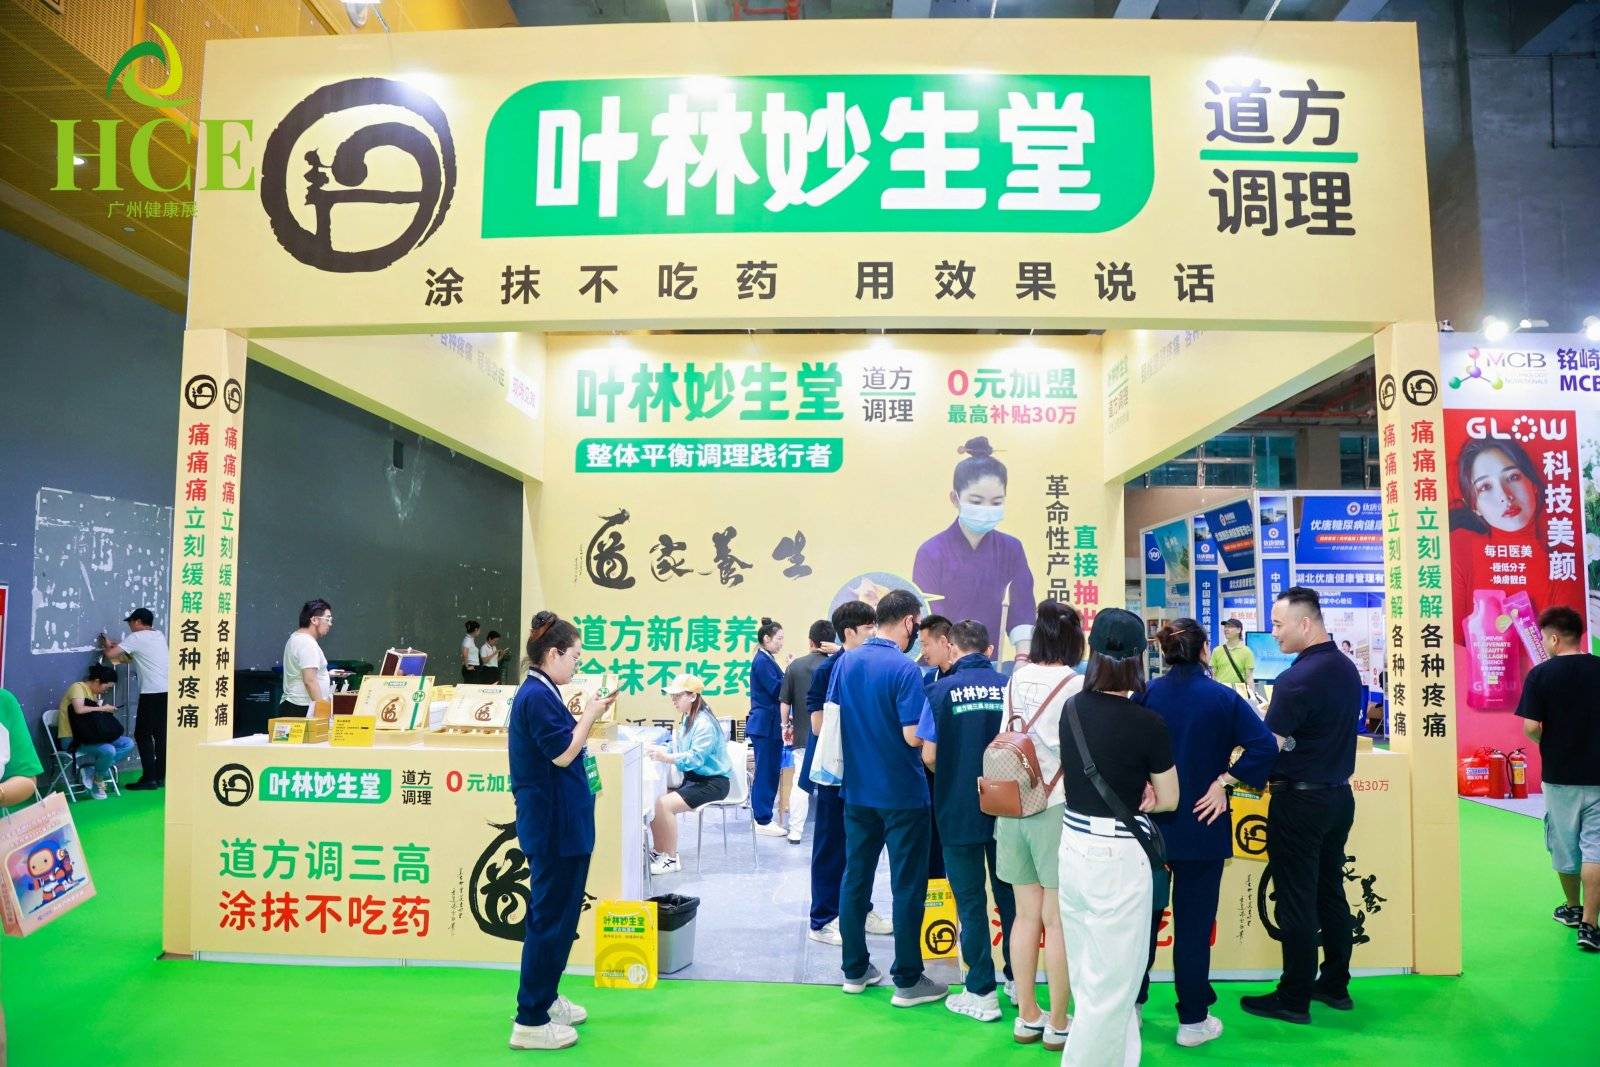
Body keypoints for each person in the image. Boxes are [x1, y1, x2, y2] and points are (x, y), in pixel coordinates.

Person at [1135, 618, 1278, 1047]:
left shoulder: (1148, 695)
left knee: (1142, 923)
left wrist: (1143, 784)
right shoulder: (1221, 697)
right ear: (1203, 651)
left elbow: (1128, 751)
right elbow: (1265, 745)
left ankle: (1133, 1008)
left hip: (1153, 827)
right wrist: (1225, 782)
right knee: (1194, 928)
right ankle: (1192, 1020)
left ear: (1164, 652)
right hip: (1204, 823)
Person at [1056, 607, 1178, 1067]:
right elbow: (1169, 799)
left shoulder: (1071, 710)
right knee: (1113, 987)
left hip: (1073, 847)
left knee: (1092, 979)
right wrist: (1147, 797)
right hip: (1120, 858)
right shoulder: (1148, 723)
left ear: (1093, 653)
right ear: (1138, 658)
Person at [1241, 586, 1363, 1025]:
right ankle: (1335, 984)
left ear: (1305, 623)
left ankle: (1293, 997)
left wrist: (1231, 778)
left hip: (1299, 801)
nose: (1273, 633)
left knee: (1295, 898)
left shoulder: (1296, 680)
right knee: (1330, 890)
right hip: (1338, 798)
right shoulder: (1346, 668)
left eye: (1278, 624)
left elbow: (1268, 746)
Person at [507, 610, 618, 1051]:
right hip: (554, 826)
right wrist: (589, 714)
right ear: (553, 654)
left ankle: (547, 998)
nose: (577, 665)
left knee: (561, 917)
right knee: (550, 919)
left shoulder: (544, 692)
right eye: (574, 657)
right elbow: (562, 754)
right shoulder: (536, 697)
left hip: (563, 823)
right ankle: (530, 1019)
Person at [831, 589, 946, 1007]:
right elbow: (912, 736)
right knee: (907, 885)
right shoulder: (904, 669)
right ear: (910, 621)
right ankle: (908, 979)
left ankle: (854, 969)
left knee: (855, 877)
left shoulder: (846, 662)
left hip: (857, 791)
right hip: (902, 794)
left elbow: (834, 719)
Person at [918, 619, 1015, 1023]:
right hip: (1008, 808)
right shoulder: (1009, 686)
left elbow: (928, 754)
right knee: (1011, 897)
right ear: (989, 650)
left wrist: (955, 774)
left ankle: (981, 992)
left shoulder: (939, 691)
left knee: (971, 902)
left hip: (958, 808)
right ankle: (1017, 980)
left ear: (954, 649)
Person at [998, 599, 1084, 1051]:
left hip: (1012, 805)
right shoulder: (1075, 683)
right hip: (1055, 806)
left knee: (1024, 915)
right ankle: (1059, 1020)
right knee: (1057, 919)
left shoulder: (1016, 678)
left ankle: (1027, 1015)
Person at [803, 601, 892, 946]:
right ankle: (823, 919)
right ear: (849, 632)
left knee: (864, 847)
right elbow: (817, 725)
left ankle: (859, 909)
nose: (875, 632)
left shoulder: (875, 665)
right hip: (835, 774)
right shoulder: (829, 669)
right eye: (869, 627)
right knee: (831, 846)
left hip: (867, 772)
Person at [1517, 605, 1600, 951]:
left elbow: (1531, 727)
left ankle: (1572, 908)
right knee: (1595, 849)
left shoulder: (1540, 675)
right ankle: (1590, 925)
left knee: (1565, 845)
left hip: (1560, 776)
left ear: (1553, 639)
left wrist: (1550, 743)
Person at [1449, 437, 1583, 643]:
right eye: (1485, 487)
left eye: (1513, 477)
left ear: (1533, 484)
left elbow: (1570, 649)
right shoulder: (1460, 549)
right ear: (1474, 506)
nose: (1505, 495)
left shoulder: (1563, 560)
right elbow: (1448, 646)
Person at [913, 437, 1036, 660]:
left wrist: (1022, 659)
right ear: (955, 498)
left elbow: (1022, 609)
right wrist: (955, 663)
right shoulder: (931, 552)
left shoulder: (1011, 549)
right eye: (977, 501)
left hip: (991, 664)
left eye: (996, 502)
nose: (987, 509)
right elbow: (930, 619)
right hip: (943, 665)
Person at [648, 674, 733, 876]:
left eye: (678, 696)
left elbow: (695, 759)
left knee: (664, 805)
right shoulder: (689, 718)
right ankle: (659, 851)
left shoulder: (703, 723)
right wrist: (662, 749)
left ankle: (670, 859)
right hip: (695, 779)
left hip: (712, 783)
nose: (673, 700)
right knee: (655, 801)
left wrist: (666, 757)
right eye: (673, 696)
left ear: (693, 696)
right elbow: (681, 747)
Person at [99, 607, 169, 791]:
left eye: (130, 622)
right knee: (161, 735)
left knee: (142, 734)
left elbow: (110, 656)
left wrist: (107, 645)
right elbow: (128, 657)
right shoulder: (158, 636)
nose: (129, 626)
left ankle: (149, 778)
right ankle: (160, 776)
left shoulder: (137, 637)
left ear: (138, 622)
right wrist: (118, 646)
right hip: (166, 692)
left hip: (151, 693)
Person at [780, 620, 834, 844]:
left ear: (811, 641)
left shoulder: (795, 666)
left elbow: (785, 703)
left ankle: (795, 832)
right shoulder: (837, 665)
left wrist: (785, 726)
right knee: (832, 787)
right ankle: (832, 835)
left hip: (803, 736)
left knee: (800, 785)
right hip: (833, 739)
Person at [57, 664, 135, 800]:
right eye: (107, 687)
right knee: (108, 750)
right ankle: (98, 781)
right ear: (97, 681)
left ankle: (93, 770)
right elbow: (79, 709)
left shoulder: (93, 695)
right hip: (72, 739)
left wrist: (104, 711)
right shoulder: (78, 687)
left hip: (90, 737)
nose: (106, 691)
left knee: (128, 743)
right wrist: (102, 709)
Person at [747, 618, 788, 838]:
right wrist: (791, 673)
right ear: (766, 638)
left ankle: (763, 816)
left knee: (769, 771)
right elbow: (777, 689)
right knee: (766, 772)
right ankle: (762, 819)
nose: (781, 643)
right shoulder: (762, 661)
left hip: (768, 725)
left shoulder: (767, 659)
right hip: (766, 725)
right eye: (778, 639)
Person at [282, 600, 333, 717]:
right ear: (314, 620)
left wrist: (327, 674)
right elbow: (310, 681)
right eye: (328, 619)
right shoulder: (307, 643)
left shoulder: (296, 638)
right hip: (302, 708)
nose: (330, 624)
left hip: (295, 706)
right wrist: (322, 712)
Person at [1210, 618, 1255, 691]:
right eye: (1225, 627)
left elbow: (1249, 677)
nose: (1226, 629)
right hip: (1221, 691)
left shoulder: (1247, 652)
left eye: (1230, 627)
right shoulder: (1216, 651)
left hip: (1239, 691)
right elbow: (1213, 675)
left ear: (1239, 630)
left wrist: (1252, 695)